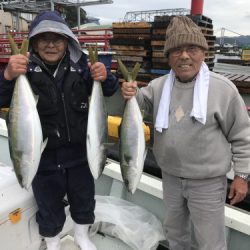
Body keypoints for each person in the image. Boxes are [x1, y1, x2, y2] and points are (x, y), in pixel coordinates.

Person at [121, 16, 250, 250]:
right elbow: (142, 104)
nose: (184, 56)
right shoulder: (159, 85)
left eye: (191, 49)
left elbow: (243, 136)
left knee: (210, 242)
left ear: (203, 53)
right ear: (168, 56)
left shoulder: (223, 89)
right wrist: (131, 91)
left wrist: (242, 176)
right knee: (175, 235)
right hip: (170, 177)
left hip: (208, 183)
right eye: (176, 50)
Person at [0, 11, 118, 250]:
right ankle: (52, 241)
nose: (51, 45)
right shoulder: (22, 69)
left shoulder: (81, 66)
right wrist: (8, 75)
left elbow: (108, 90)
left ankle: (82, 236)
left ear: (67, 41)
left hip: (79, 155)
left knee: (83, 199)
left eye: (58, 39)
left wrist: (105, 78)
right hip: (42, 158)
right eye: (44, 39)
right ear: (33, 42)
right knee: (48, 204)